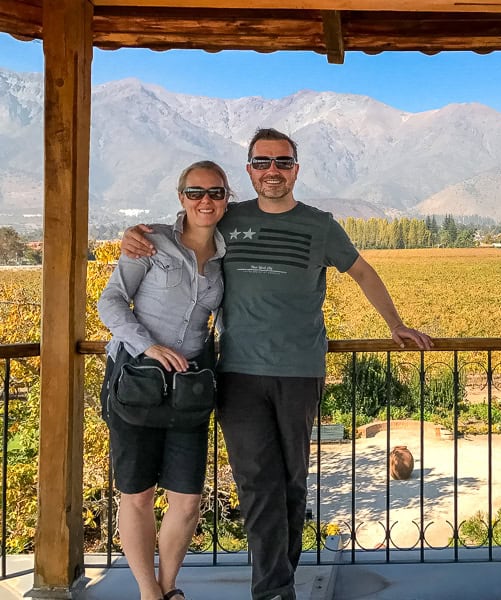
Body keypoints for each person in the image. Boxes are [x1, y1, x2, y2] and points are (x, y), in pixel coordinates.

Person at [122, 128, 433, 600]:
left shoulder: (319, 225)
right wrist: (135, 234)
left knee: (291, 482)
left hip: (301, 370)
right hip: (238, 373)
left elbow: (362, 272)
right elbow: (182, 229)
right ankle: (271, 590)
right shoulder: (228, 218)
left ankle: (279, 580)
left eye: (282, 162)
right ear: (249, 171)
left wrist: (396, 324)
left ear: (295, 170)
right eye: (262, 162)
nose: (273, 171)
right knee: (257, 481)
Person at [99, 160, 230, 600]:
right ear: (181, 197)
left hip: (188, 391)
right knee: (137, 494)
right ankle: (149, 592)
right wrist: (147, 346)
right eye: (195, 192)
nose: (205, 201)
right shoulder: (151, 241)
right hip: (137, 381)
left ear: (226, 199)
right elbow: (111, 301)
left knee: (188, 500)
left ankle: (168, 586)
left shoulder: (226, 256)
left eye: (215, 192)